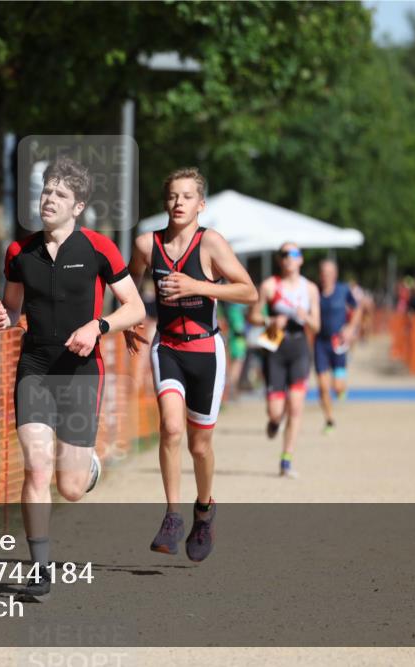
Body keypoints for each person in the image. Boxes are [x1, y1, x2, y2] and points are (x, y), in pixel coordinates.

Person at [0, 156, 145, 601]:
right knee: (37, 466)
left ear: (78, 206)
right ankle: (39, 568)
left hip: (80, 372)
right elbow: (14, 308)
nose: (49, 199)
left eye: (60, 194)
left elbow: (135, 307)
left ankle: (87, 465)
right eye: (46, 191)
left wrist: (98, 327)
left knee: (71, 488)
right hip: (35, 368)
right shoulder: (19, 253)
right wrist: (5, 317)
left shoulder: (98, 248)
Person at [124, 167, 257, 562]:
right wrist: (129, 319)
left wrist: (197, 285)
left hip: (206, 351)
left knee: (200, 446)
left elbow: (249, 292)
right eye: (172, 196)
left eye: (187, 196)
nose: (178, 203)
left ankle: (204, 509)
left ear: (201, 204)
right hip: (167, 347)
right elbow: (128, 285)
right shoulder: (146, 245)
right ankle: (172, 515)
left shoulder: (210, 243)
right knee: (170, 428)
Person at [249, 243, 320, 478]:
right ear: (280, 260)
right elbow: (253, 315)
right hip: (274, 341)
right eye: (285, 254)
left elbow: (317, 326)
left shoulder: (310, 289)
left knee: (296, 407)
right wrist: (269, 321)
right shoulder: (270, 286)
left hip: (299, 345)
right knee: (275, 411)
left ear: (301, 259)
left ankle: (286, 459)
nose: (290, 258)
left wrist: (306, 317)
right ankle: (273, 422)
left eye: (294, 254)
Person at [314, 259, 361, 433]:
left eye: (329, 273)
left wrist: (350, 328)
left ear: (335, 274)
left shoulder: (343, 290)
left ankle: (341, 389)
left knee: (338, 387)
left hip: (338, 343)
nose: (326, 276)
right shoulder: (314, 291)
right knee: (323, 387)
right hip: (320, 342)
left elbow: (358, 309)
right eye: (323, 273)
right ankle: (329, 420)